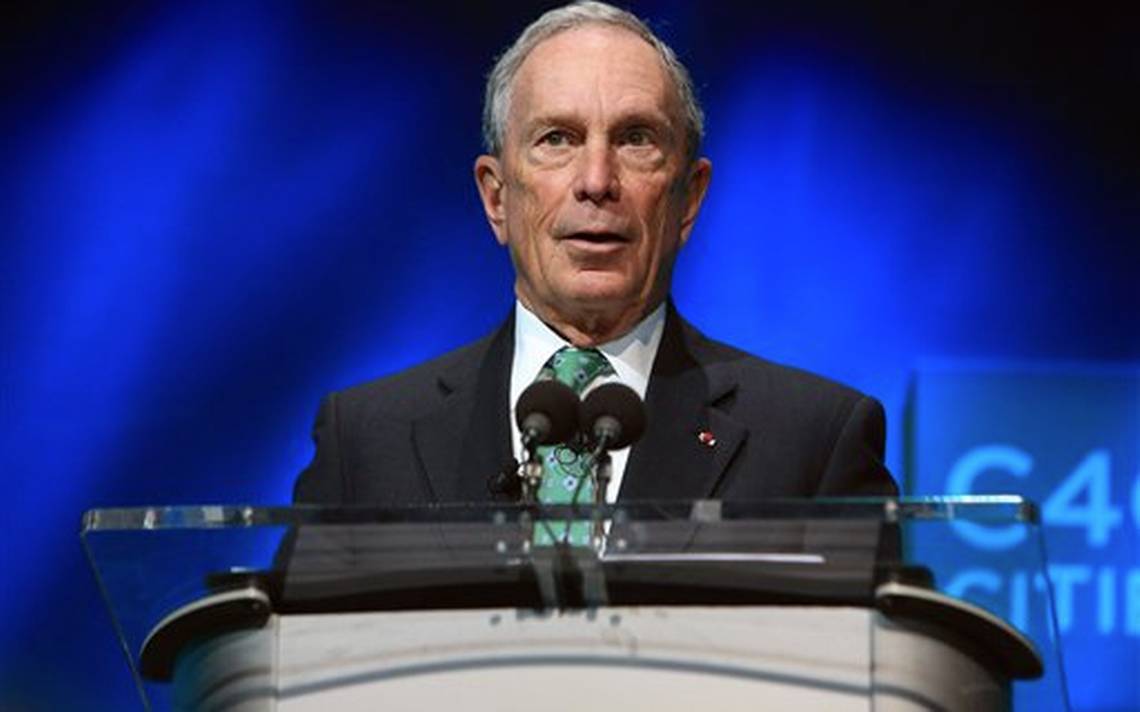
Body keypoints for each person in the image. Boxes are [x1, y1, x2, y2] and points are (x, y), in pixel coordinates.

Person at [293, 1, 896, 506]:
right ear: (496, 197)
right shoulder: (365, 441)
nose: (597, 181)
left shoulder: (816, 441)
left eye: (636, 139)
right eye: (558, 138)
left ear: (688, 199)